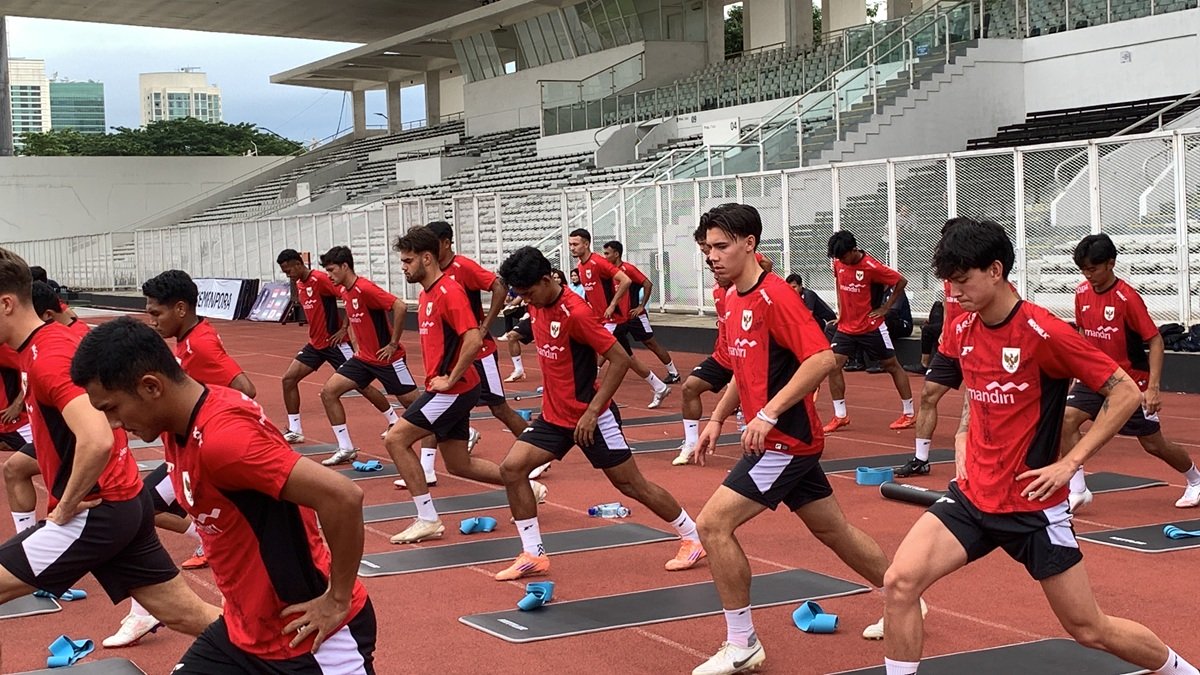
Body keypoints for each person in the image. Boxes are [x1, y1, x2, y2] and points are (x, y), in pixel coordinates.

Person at [881, 219, 1197, 675]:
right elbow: (975, 402)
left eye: (962, 279)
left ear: (995, 270)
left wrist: (1070, 463)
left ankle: (1182, 671)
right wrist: (965, 450)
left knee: (1089, 629)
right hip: (973, 499)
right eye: (948, 281)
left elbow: (1124, 391)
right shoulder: (963, 329)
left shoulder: (1042, 330)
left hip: (1031, 508)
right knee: (899, 583)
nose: (954, 291)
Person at [71, 318, 377, 673]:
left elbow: (342, 496)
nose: (112, 423)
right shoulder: (178, 423)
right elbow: (158, 495)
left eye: (112, 408)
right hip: (243, 631)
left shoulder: (224, 441)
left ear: (151, 387)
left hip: (308, 638)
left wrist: (337, 599)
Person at [691, 204, 896, 675]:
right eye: (707, 249)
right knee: (832, 530)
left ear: (750, 245)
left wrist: (767, 413)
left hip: (786, 440)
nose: (713, 257)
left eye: (721, 247)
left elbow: (822, 359)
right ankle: (903, 598)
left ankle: (742, 644)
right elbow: (744, 370)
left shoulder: (775, 296)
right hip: (775, 436)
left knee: (713, 526)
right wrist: (719, 419)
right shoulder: (734, 298)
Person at [0, 248, 220, 648]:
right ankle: (291, 657)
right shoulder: (43, 344)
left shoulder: (49, 355)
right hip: (124, 503)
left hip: (95, 512)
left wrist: (65, 505)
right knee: (187, 614)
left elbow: (97, 437)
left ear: (6, 303)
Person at [492, 246, 705, 581]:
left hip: (592, 419)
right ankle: (533, 553)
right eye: (523, 296)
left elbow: (620, 359)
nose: (528, 301)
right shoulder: (537, 306)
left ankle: (692, 537)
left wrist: (592, 412)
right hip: (554, 417)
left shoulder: (576, 313)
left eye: (530, 293)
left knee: (632, 486)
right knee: (512, 469)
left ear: (548, 279)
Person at [384, 227, 547, 544]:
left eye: (407, 260)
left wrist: (452, 377)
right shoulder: (426, 293)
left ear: (427, 258)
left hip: (453, 390)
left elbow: (473, 338)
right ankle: (528, 486)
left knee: (396, 439)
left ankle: (428, 519)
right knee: (459, 464)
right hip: (448, 388)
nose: (403, 266)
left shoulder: (449, 291)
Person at [1063, 233, 1200, 511]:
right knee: (1065, 421)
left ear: (1111, 264)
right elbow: (1081, 332)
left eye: (1093, 268)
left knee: (1153, 444)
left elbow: (1155, 340)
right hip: (1094, 377)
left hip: (1128, 382)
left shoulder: (1127, 298)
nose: (1088, 275)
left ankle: (1195, 480)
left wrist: (1153, 388)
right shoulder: (1080, 293)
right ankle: (1077, 489)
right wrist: (1079, 370)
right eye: (1083, 270)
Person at [426, 222, 545, 478]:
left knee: (499, 407)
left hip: (480, 352)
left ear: (446, 242)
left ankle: (537, 454)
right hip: (457, 354)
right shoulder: (433, 274)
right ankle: (436, 461)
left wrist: (485, 325)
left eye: (432, 243)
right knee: (445, 401)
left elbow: (499, 286)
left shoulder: (463, 267)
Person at [315, 246, 432, 469]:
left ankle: (462, 431)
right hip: (364, 360)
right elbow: (353, 317)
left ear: (345, 266)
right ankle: (346, 448)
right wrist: (356, 344)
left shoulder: (365, 288)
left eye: (331, 270)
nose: (329, 275)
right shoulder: (344, 291)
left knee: (418, 408)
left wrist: (393, 343)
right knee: (329, 392)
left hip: (388, 360)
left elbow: (398, 305)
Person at [673, 226, 772, 467]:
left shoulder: (749, 274)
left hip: (749, 354)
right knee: (689, 387)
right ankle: (690, 444)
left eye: (712, 247)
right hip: (725, 354)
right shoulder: (719, 290)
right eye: (705, 248)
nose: (709, 254)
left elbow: (765, 263)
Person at [275, 249, 396, 446]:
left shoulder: (321, 279)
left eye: (289, 270)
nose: (287, 275)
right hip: (315, 344)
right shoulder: (299, 283)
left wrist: (344, 328)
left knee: (361, 385)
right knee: (288, 379)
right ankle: (295, 430)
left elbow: (347, 296)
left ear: (298, 264)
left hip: (335, 344)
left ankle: (394, 420)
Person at [568, 228, 672, 409]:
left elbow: (626, 280)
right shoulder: (580, 267)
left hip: (613, 321)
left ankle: (584, 396)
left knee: (595, 354)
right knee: (628, 358)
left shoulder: (598, 262)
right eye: (570, 244)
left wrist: (612, 305)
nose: (572, 248)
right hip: (602, 320)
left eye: (575, 244)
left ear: (586, 244)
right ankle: (659, 386)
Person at [823, 231, 915, 433]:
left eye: (843, 256)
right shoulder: (839, 264)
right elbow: (839, 284)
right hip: (846, 327)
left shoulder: (871, 266)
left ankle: (909, 413)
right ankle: (840, 415)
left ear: (853, 250)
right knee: (833, 365)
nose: (841, 261)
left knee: (892, 366)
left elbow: (901, 281)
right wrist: (840, 311)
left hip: (870, 327)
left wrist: (885, 308)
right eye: (837, 258)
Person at [143, 270, 258, 401]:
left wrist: (207, 412)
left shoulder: (199, 344)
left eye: (156, 314)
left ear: (180, 309)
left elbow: (246, 389)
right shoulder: (192, 332)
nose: (152, 322)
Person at [601, 239, 681, 384]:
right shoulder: (608, 272)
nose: (604, 256)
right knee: (608, 343)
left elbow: (648, 284)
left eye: (607, 253)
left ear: (616, 254)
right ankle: (594, 372)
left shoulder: (628, 269)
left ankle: (673, 372)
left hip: (634, 316)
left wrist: (640, 306)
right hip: (618, 318)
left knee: (651, 344)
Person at [499, 288, 528, 382]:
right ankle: (518, 369)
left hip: (546, 317)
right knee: (512, 336)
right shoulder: (517, 287)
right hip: (530, 315)